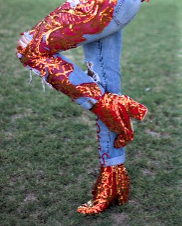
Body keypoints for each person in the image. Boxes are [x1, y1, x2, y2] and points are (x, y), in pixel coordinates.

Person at [16, 0, 149, 215]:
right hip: (119, 5)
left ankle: (105, 103)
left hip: (99, 5)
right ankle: (112, 180)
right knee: (105, 84)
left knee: (28, 48)